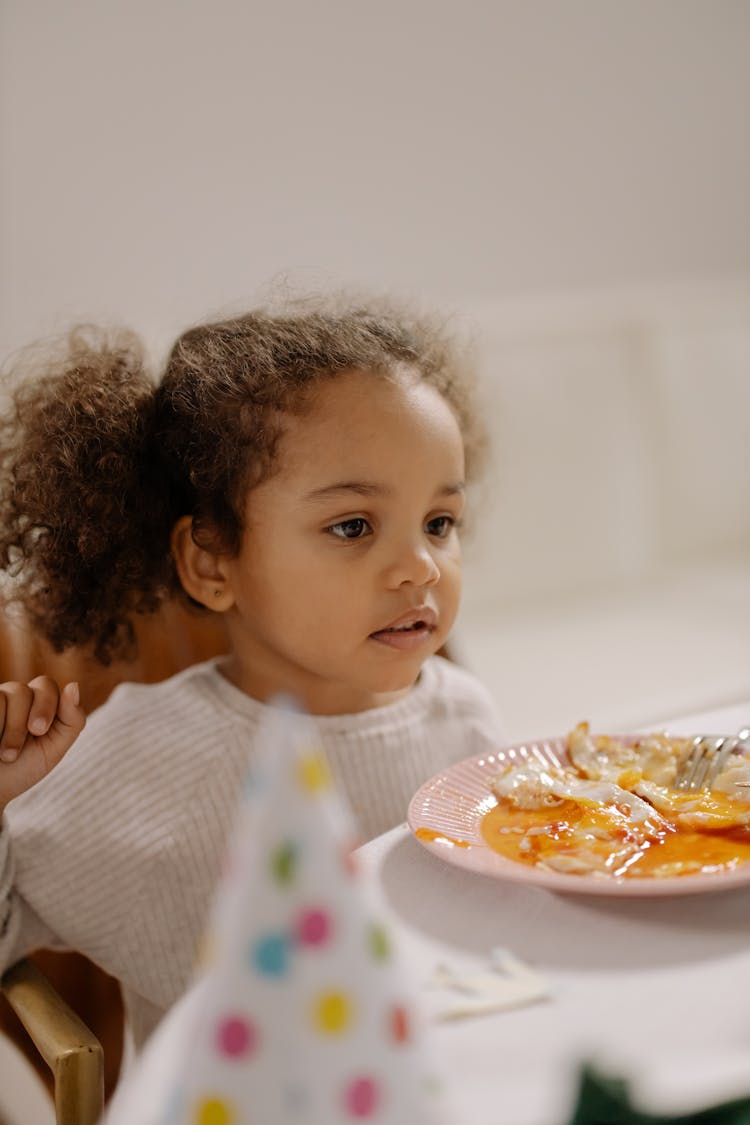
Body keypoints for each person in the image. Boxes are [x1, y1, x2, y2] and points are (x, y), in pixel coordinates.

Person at [0, 294, 506, 1049]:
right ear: (211, 563)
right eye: (353, 526)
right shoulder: (142, 755)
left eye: (440, 522)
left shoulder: (464, 717)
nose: (420, 567)